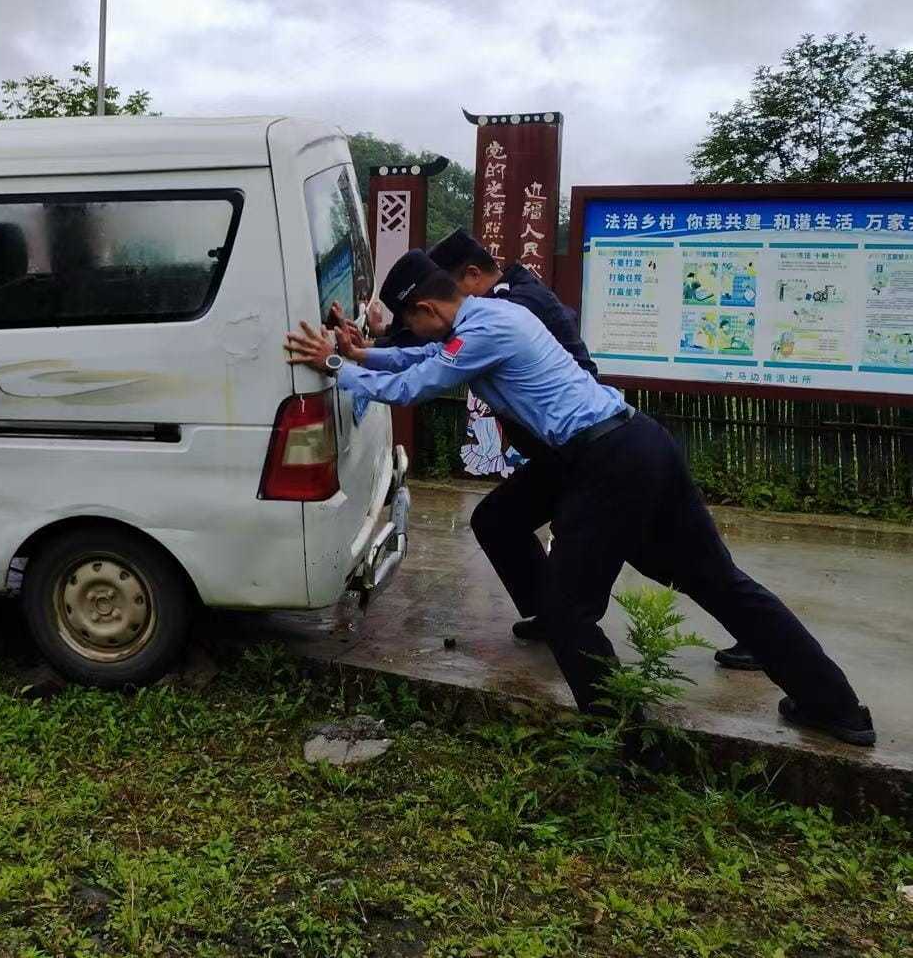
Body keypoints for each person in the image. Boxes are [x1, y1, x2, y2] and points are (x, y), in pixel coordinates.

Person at [288, 248, 876, 747]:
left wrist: (335, 364)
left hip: (607, 462)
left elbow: (415, 384)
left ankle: (623, 743)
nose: (407, 331)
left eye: (408, 320)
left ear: (428, 309)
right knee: (717, 581)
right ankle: (837, 707)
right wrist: (363, 355)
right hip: (639, 443)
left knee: (569, 611)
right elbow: (417, 357)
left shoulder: (485, 329)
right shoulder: (488, 315)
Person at [421, 230, 759, 673]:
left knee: (678, 561)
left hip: (596, 450)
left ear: (469, 275)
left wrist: (368, 351)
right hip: (565, 451)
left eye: (445, 293)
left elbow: (441, 354)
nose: (446, 308)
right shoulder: (514, 296)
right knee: (499, 520)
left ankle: (758, 639)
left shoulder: (510, 307)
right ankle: (551, 612)